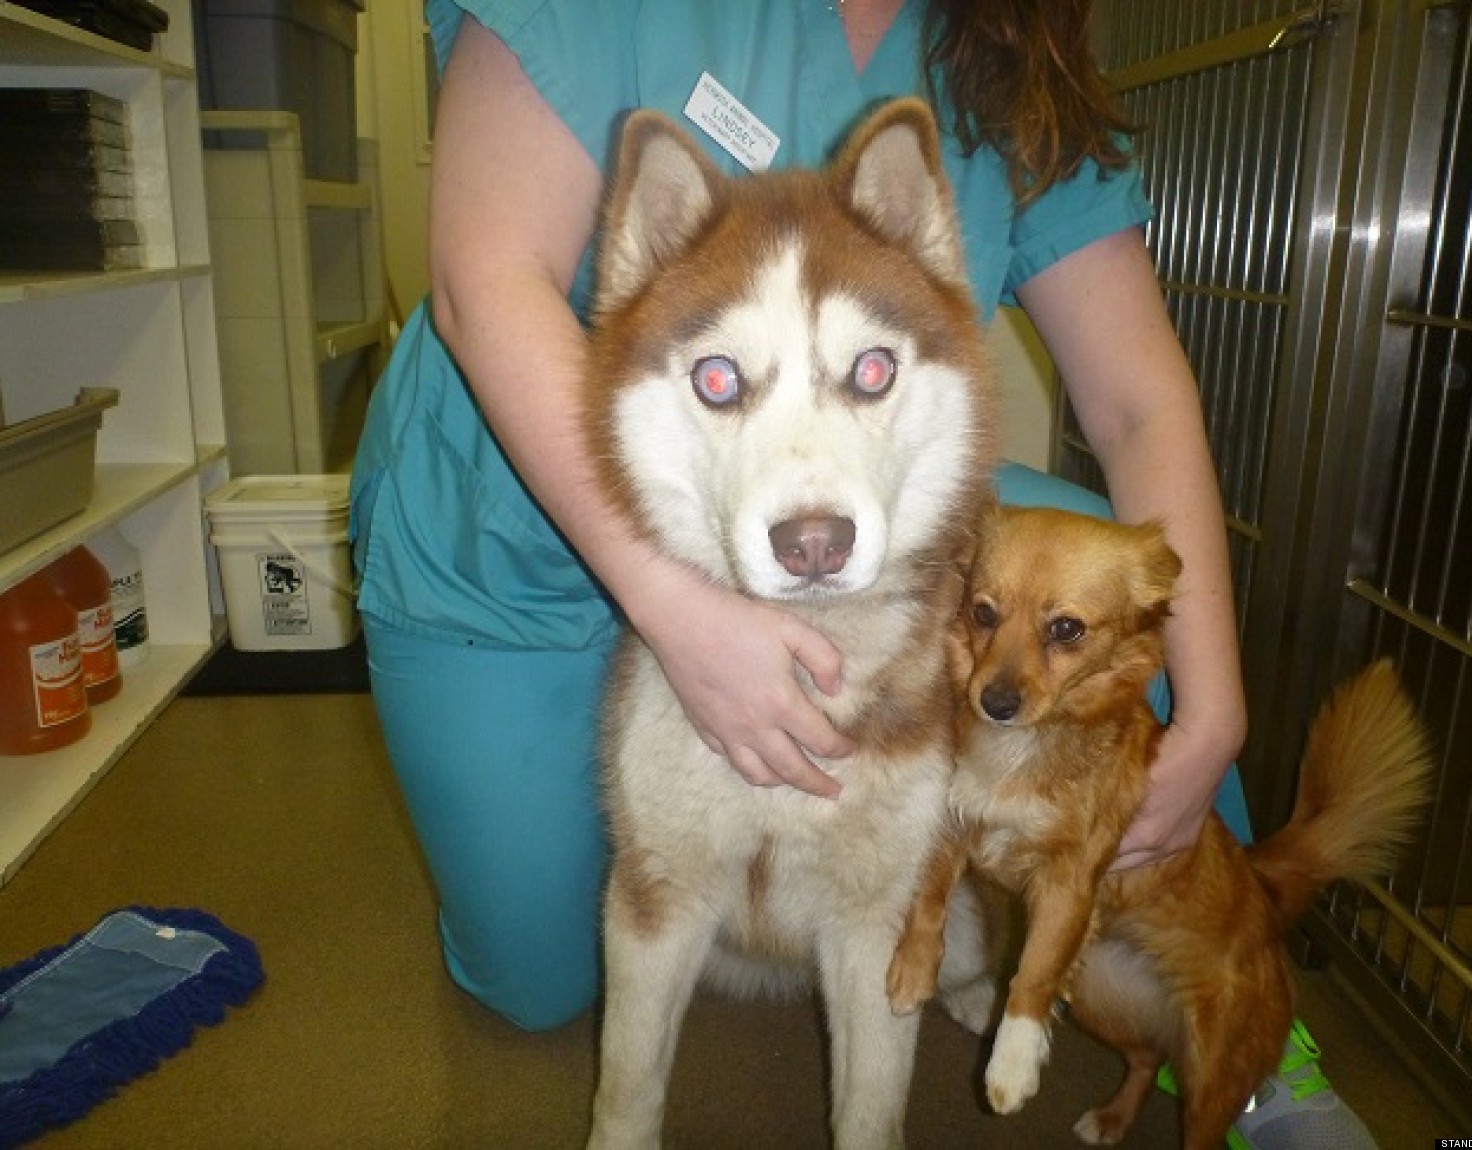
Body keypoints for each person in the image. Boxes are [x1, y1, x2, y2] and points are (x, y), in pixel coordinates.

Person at [349, 1, 1373, 1145]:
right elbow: (484, 274)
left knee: (1097, 582)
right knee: (538, 984)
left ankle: (1240, 1017)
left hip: (864, 557)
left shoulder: (1008, 50)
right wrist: (677, 606)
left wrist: (1216, 715)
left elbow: (1137, 404)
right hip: (507, 557)